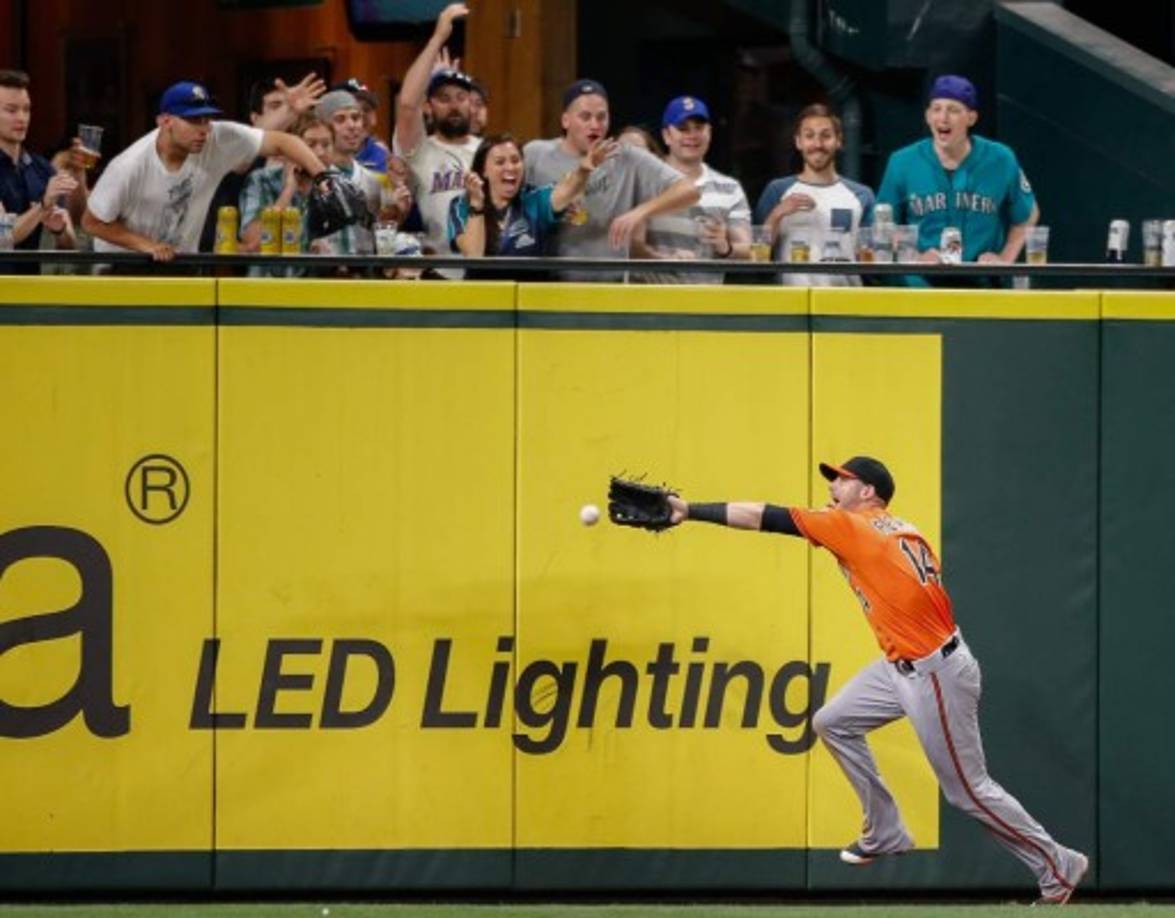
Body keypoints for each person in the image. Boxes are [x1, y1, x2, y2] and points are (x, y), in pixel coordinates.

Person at [659, 456, 1089, 906]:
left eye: (843, 480)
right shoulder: (900, 528)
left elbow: (763, 517)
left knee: (967, 791)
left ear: (868, 492)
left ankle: (1058, 863)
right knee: (833, 722)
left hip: (933, 673)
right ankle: (885, 829)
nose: (833, 486)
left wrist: (689, 510)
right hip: (902, 665)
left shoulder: (852, 526)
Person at [82, 80, 331, 263]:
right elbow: (91, 222)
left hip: (182, 266)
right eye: (193, 120)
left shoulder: (215, 138)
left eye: (206, 119)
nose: (203, 129)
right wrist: (146, 245)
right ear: (165, 121)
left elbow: (281, 141)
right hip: (122, 269)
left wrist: (324, 176)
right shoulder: (130, 165)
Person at [523, 78, 700, 282]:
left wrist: (639, 212)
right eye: (585, 117)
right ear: (565, 120)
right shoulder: (536, 154)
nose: (595, 125)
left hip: (610, 287)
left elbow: (689, 190)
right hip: (550, 286)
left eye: (601, 117)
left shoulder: (626, 157)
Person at [876, 75, 1038, 283]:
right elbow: (882, 223)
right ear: (927, 116)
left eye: (953, 110)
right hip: (920, 287)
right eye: (936, 109)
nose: (943, 118)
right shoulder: (902, 161)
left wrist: (1005, 260)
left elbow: (1028, 215)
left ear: (971, 118)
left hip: (983, 286)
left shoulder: (1000, 159)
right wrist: (913, 256)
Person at [447, 132, 617, 278]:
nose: (510, 167)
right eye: (500, 162)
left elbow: (567, 190)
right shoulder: (461, 205)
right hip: (483, 302)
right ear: (484, 171)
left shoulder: (534, 199)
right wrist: (477, 204)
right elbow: (473, 257)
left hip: (530, 301)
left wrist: (583, 170)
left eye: (515, 160)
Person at [393, 3, 481, 266]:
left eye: (461, 97)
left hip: (484, 268)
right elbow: (408, 104)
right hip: (438, 270)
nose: (454, 105)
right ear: (429, 107)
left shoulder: (488, 151)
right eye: (443, 98)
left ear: (472, 104)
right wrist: (438, 38)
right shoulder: (420, 149)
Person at [198, 72, 325, 251]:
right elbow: (260, 136)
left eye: (286, 107)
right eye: (275, 106)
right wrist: (290, 110)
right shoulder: (243, 157)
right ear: (254, 118)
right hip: (221, 264)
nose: (285, 115)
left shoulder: (304, 164)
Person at [755, 103, 875, 286]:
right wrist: (777, 215)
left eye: (826, 136)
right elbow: (756, 258)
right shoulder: (777, 190)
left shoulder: (861, 195)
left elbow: (872, 263)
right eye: (809, 136)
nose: (817, 144)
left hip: (847, 301)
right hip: (791, 303)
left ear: (839, 140)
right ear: (798, 141)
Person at [638, 95, 753, 283]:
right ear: (667, 135)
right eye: (683, 129)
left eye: (699, 128)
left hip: (706, 305)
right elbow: (625, 245)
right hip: (652, 304)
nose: (692, 136)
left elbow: (748, 251)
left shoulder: (730, 189)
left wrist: (726, 247)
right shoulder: (644, 182)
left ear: (710, 132)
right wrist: (663, 258)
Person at [0, 69, 81, 272]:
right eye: (11, 110)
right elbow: (2, 238)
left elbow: (70, 246)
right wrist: (43, 206)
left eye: (26, 109)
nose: (22, 118)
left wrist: (60, 229)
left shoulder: (42, 169)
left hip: (30, 292)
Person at [238, 113, 333, 274]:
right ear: (291, 149)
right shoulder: (261, 181)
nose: (320, 153)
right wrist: (288, 190)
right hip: (266, 292)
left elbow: (348, 252)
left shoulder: (335, 188)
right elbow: (254, 243)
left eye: (326, 144)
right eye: (311, 145)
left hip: (317, 293)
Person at [313, 90, 382, 256]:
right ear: (323, 127)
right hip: (322, 274)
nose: (352, 125)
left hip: (362, 275)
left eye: (356, 118)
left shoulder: (372, 180)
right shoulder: (312, 177)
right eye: (340, 119)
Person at [332, 77, 391, 173]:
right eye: (350, 109)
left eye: (366, 110)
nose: (360, 119)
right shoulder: (318, 154)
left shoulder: (382, 156)